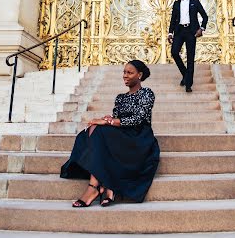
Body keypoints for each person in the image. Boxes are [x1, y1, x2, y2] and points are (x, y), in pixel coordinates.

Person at [60, 59, 160, 207]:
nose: (125, 75)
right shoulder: (120, 98)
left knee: (100, 130)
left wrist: (109, 122)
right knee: (90, 130)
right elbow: (117, 118)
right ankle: (102, 184)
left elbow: (137, 119)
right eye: (124, 72)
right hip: (123, 133)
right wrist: (107, 119)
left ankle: (94, 187)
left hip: (139, 138)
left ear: (139, 75)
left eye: (129, 72)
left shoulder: (146, 93)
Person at [168, 0, 208, 92]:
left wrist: (202, 28)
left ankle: (188, 84)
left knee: (190, 57)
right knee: (174, 52)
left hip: (191, 32)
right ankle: (186, 74)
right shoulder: (176, 3)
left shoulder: (195, 2)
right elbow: (173, 19)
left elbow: (205, 16)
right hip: (179, 31)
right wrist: (170, 33)